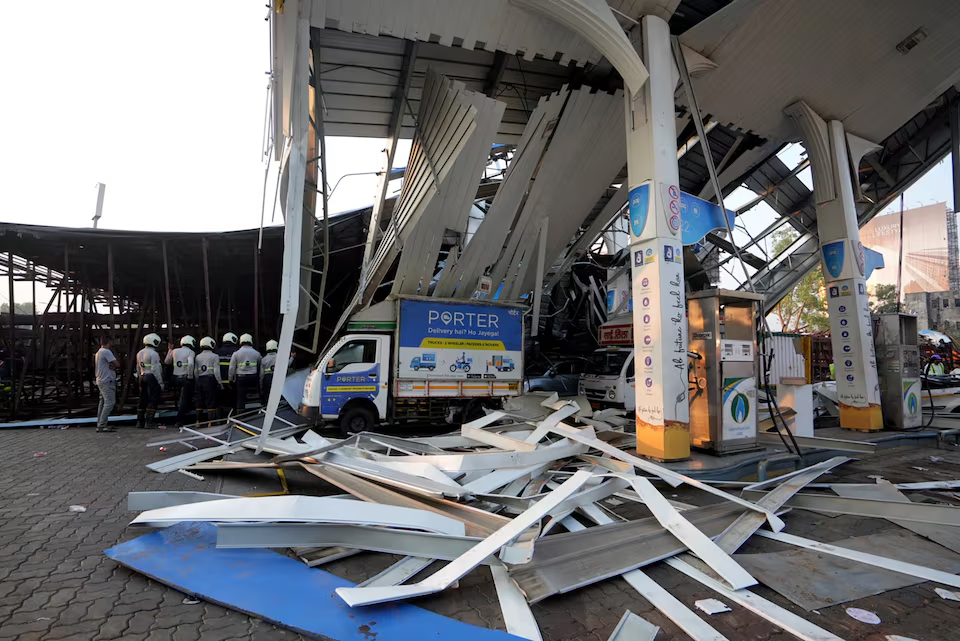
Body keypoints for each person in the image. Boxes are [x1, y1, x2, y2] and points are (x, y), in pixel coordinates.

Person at [166, 335, 196, 428]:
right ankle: (180, 420)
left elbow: (167, 361)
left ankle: (184, 413)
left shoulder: (175, 351)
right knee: (184, 399)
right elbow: (191, 364)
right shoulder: (191, 352)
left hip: (176, 378)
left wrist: (170, 350)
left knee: (182, 398)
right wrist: (190, 376)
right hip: (185, 378)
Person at [136, 333, 164, 428]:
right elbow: (155, 369)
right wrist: (160, 382)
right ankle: (149, 422)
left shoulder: (139, 353)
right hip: (151, 377)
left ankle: (140, 422)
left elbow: (138, 368)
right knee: (153, 399)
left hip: (142, 376)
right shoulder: (154, 354)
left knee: (142, 398)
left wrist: (139, 378)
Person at [230, 333, 262, 411]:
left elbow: (231, 368)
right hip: (253, 378)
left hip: (241, 378)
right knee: (255, 395)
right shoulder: (257, 353)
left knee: (241, 397)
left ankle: (240, 413)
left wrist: (230, 379)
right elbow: (260, 367)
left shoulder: (236, 354)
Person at [94, 336, 120, 432]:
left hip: (101, 379)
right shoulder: (106, 352)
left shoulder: (99, 352)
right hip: (107, 380)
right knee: (110, 402)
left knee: (103, 402)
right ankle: (102, 425)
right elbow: (117, 364)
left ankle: (100, 422)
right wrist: (114, 366)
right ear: (109, 341)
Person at [194, 336, 222, 425]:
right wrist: (220, 383)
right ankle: (210, 422)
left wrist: (197, 379)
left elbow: (195, 371)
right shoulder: (215, 356)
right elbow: (216, 371)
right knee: (211, 400)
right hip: (210, 379)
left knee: (200, 399)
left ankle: (198, 421)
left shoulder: (197, 357)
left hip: (200, 379)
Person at [216, 332, 240, 417]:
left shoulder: (217, 352)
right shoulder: (237, 351)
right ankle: (234, 417)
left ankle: (220, 418)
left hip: (221, 381)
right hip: (233, 381)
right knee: (233, 400)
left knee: (221, 401)